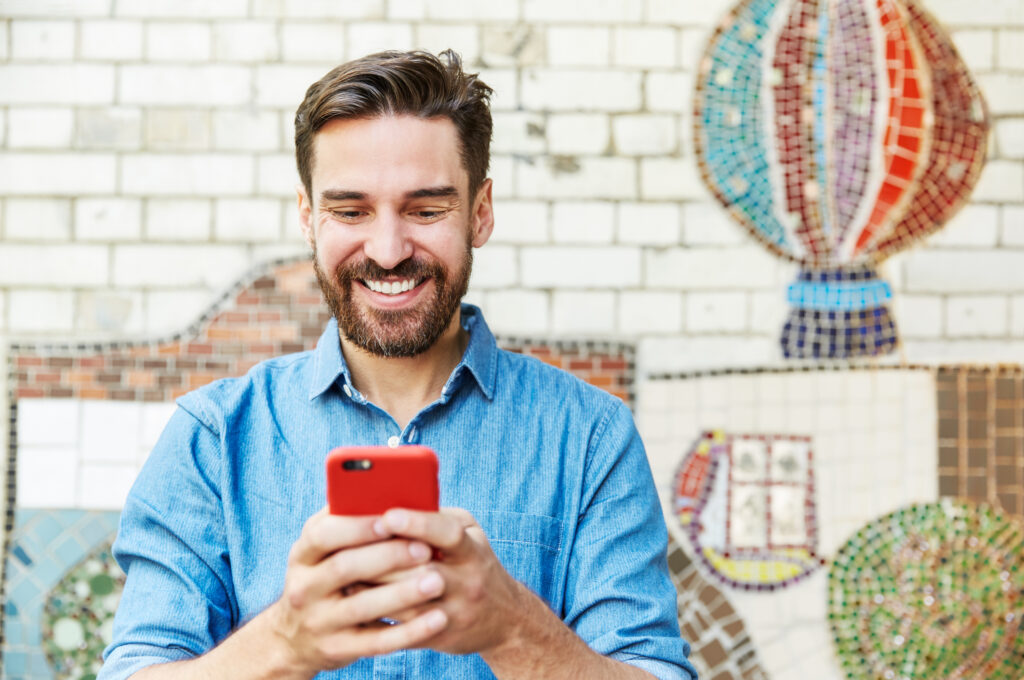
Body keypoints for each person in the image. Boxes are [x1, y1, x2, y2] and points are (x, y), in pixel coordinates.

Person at [99, 50, 697, 680]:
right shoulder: (214, 436)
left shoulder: (591, 437)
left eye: (426, 209)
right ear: (308, 217)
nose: (387, 252)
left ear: (481, 212)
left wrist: (512, 627)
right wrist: (284, 642)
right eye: (350, 211)